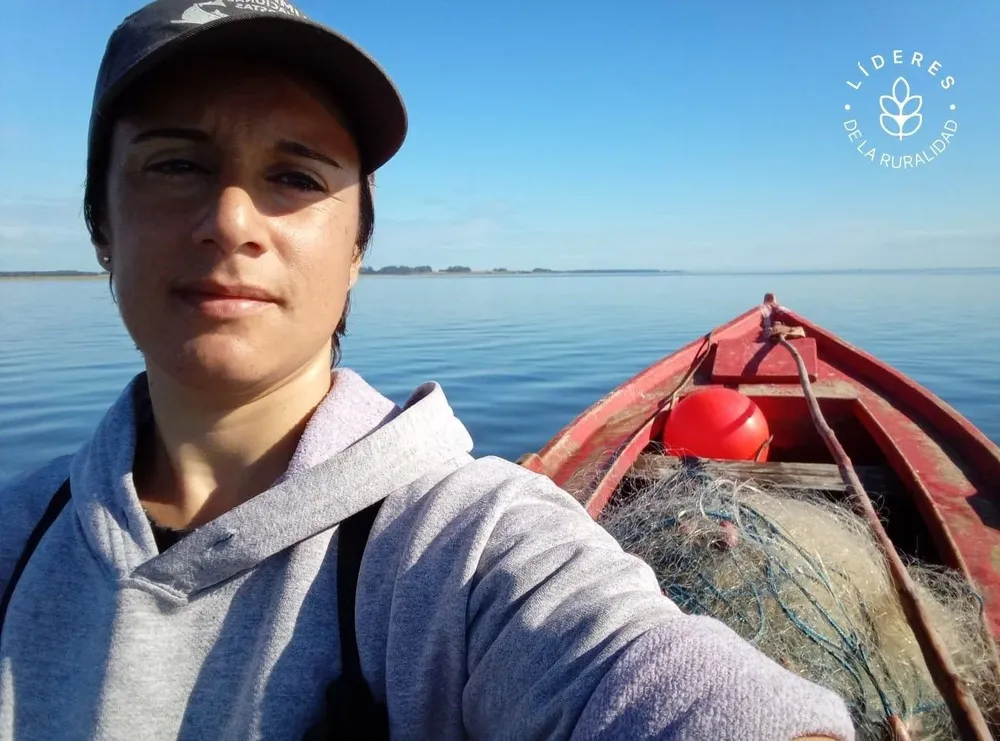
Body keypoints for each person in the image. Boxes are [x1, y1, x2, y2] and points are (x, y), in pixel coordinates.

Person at [0, 1, 856, 739]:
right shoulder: (16, 538)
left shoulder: (462, 545)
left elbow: (656, 681)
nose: (231, 221)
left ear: (357, 250)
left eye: (293, 177)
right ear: (100, 225)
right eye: (175, 164)